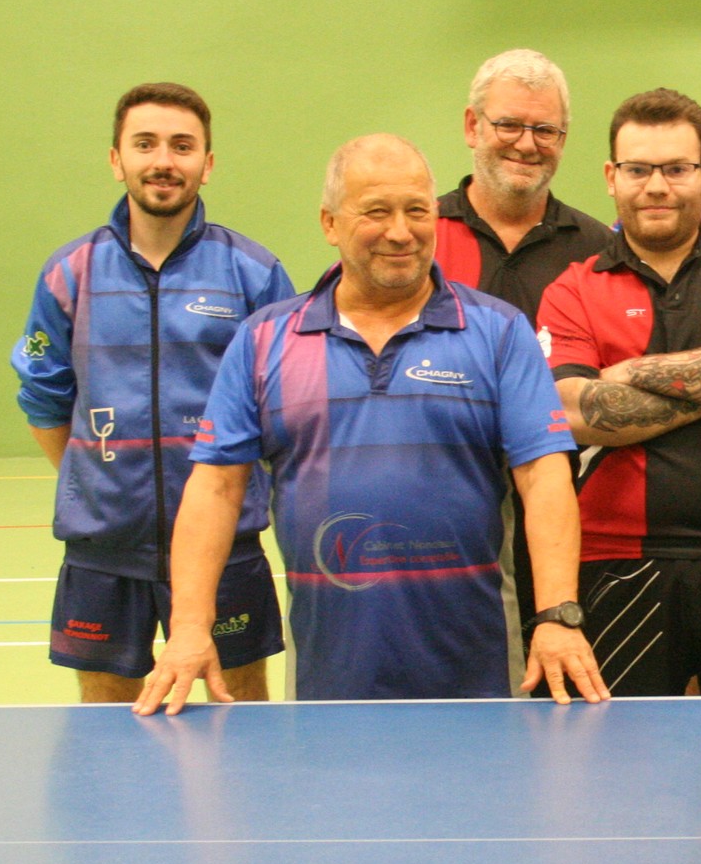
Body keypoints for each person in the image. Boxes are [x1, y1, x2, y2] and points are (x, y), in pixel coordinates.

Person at [133, 135, 605, 714]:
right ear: (330, 223)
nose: (400, 232)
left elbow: (545, 476)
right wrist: (188, 627)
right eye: (376, 212)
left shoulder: (499, 332)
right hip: (330, 671)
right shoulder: (263, 340)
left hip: (478, 666)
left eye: (416, 211)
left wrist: (557, 615)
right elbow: (215, 488)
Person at [13, 82, 293, 703]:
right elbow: (43, 398)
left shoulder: (253, 273)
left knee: (242, 711)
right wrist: (97, 480)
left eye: (182, 146)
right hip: (104, 549)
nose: (163, 160)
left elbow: (283, 405)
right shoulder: (69, 273)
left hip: (227, 546)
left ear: (207, 164)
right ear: (116, 159)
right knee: (108, 721)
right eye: (145, 144)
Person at [537, 89, 701, 697]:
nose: (657, 186)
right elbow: (574, 410)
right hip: (613, 560)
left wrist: (623, 372)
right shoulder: (573, 288)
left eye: (676, 169)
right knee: (613, 753)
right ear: (611, 177)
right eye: (638, 169)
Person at [435, 48, 609, 640]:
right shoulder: (418, 240)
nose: (526, 144)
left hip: (572, 526)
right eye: (508, 124)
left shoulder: (598, 251)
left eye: (545, 130)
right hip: (448, 525)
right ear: (472, 126)